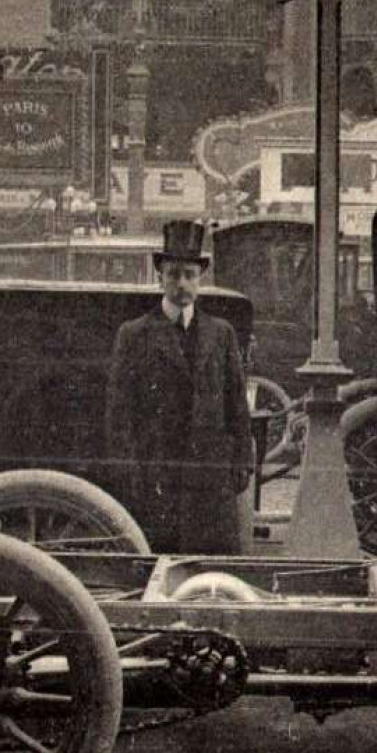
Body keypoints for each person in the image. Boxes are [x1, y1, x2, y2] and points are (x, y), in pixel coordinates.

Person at [106, 220, 253, 554]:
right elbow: (119, 413)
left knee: (212, 571)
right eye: (173, 274)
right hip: (157, 476)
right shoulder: (134, 334)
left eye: (189, 274)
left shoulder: (221, 334)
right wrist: (128, 472)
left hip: (210, 479)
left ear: (200, 279)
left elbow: (237, 407)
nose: (182, 283)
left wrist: (242, 461)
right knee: (160, 565)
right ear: (161, 278)